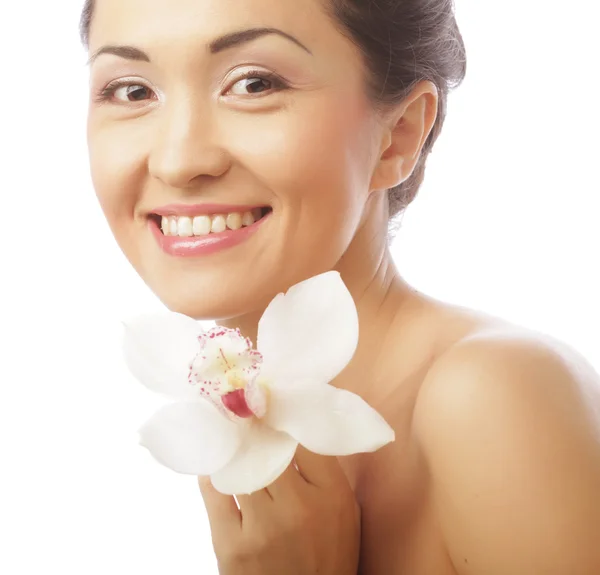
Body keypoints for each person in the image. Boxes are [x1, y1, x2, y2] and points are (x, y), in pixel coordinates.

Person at [80, 0, 600, 573]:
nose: (179, 160)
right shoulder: (244, 447)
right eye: (132, 91)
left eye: (254, 84)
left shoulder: (494, 397)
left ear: (398, 135)